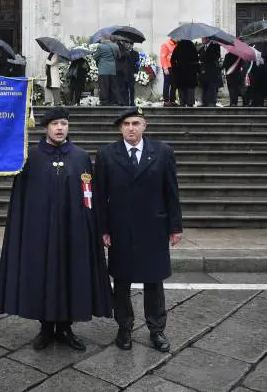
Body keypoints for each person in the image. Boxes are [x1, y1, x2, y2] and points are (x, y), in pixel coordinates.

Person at [0, 107, 113, 351]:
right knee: (42, 275)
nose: (60, 128)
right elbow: (21, 197)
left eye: (64, 124)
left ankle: (66, 327)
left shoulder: (80, 156)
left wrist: (91, 225)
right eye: (55, 124)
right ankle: (46, 327)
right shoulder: (31, 157)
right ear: (45, 127)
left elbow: (88, 194)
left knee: (71, 275)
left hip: (74, 231)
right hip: (40, 231)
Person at [94, 107, 183, 353]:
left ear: (145, 126)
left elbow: (171, 192)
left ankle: (157, 330)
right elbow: (100, 196)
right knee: (121, 281)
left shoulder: (162, 152)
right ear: (120, 128)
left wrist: (175, 226)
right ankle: (124, 327)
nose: (131, 128)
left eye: (136, 123)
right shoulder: (106, 154)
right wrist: (103, 228)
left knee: (154, 281)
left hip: (154, 227)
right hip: (121, 228)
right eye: (126, 124)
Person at [170, 39, 199, 107]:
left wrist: (175, 69)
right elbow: (196, 59)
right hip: (191, 71)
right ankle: (190, 103)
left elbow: (172, 59)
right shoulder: (192, 46)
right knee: (190, 88)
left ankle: (182, 103)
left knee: (181, 88)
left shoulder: (178, 46)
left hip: (180, 71)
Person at [94, 37, 118, 105]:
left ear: (103, 39)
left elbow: (95, 57)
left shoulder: (101, 46)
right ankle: (113, 100)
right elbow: (118, 56)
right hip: (112, 69)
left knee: (104, 86)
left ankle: (104, 101)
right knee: (112, 85)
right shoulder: (115, 46)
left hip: (103, 69)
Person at [198, 38, 222, 107]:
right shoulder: (202, 48)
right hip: (203, 71)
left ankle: (211, 102)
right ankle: (204, 102)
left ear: (208, 38)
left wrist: (205, 57)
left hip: (212, 70)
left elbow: (217, 56)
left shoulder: (215, 46)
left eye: (203, 38)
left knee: (211, 87)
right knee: (204, 87)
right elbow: (200, 58)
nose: (202, 39)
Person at [159, 37, 177, 105]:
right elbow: (163, 57)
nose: (178, 39)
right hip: (168, 67)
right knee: (167, 83)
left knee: (174, 84)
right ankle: (166, 100)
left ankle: (172, 100)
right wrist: (165, 68)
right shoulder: (165, 44)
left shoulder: (177, 45)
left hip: (175, 67)